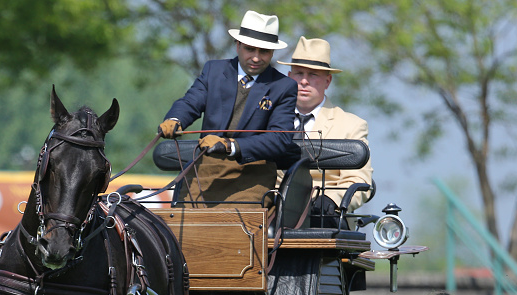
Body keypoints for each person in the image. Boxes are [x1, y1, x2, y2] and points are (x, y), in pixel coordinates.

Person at [158, 10, 298, 207]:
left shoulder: (284, 86)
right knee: (183, 228)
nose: (256, 58)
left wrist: (231, 146)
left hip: (252, 177)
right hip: (204, 171)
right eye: (250, 49)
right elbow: (191, 101)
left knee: (234, 232)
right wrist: (175, 119)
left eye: (264, 52)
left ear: (272, 52)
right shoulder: (213, 70)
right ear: (238, 45)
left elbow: (280, 138)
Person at [277, 36, 373, 214]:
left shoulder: (351, 125)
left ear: (327, 81)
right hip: (271, 216)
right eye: (299, 73)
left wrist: (331, 200)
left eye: (313, 75)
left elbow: (359, 180)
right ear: (289, 78)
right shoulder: (268, 120)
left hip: (326, 220)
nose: (304, 81)